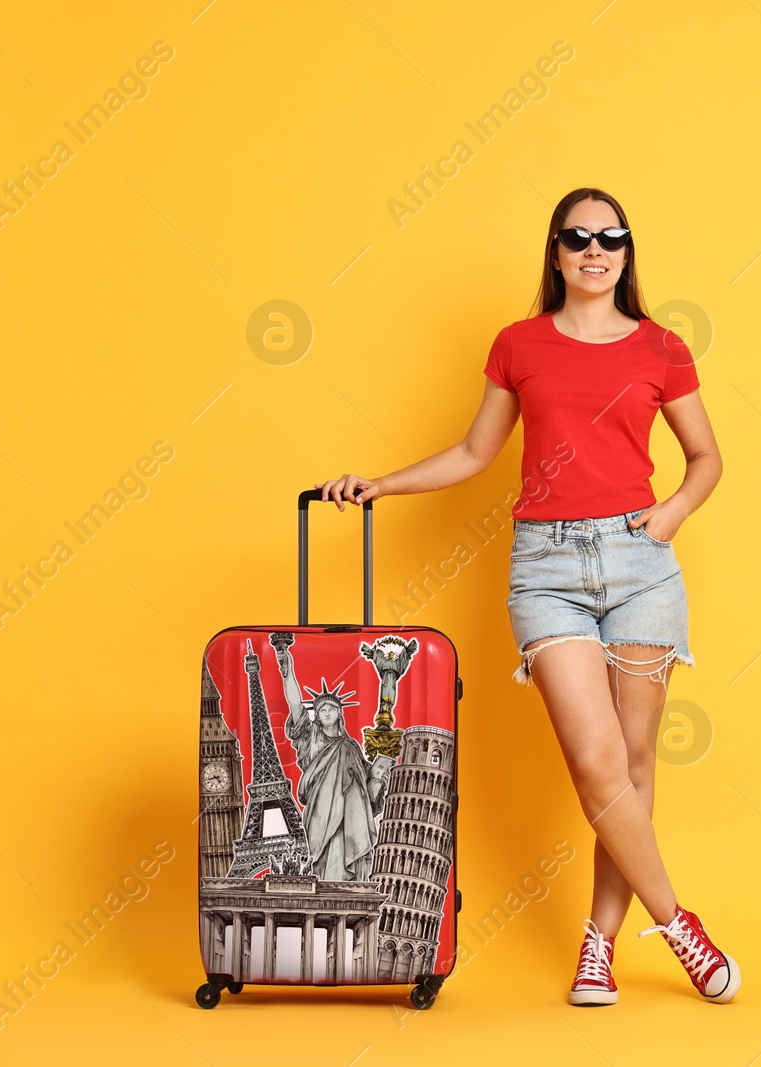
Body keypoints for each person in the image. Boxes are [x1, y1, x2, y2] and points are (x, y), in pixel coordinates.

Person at [316, 187, 736, 1005]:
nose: (594, 248)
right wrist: (381, 485)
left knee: (636, 761)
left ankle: (598, 948)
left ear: (625, 251)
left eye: (610, 236)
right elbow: (477, 450)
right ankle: (680, 924)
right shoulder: (519, 343)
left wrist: (671, 516)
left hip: (640, 561)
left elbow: (706, 457)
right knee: (595, 762)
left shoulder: (661, 347)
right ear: (555, 251)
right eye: (577, 236)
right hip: (546, 570)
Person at [273, 633, 390, 881]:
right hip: (320, 812)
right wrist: (287, 669)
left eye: (331, 709)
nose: (326, 713)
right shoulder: (310, 738)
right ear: (315, 715)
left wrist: (378, 777)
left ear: (339, 714)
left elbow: (367, 791)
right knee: (323, 860)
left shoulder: (350, 746)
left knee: (347, 850)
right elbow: (295, 703)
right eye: (321, 710)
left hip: (351, 815)